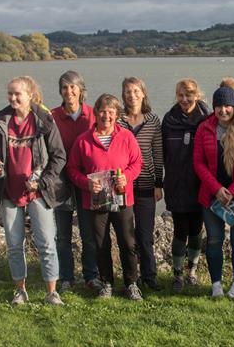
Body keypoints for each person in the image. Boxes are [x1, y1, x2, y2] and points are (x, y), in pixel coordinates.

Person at [0, 76, 68, 306]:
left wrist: (43, 183)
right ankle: (20, 291)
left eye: (17, 94)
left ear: (30, 95)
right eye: (10, 93)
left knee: (46, 243)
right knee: (14, 244)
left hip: (39, 192)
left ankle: (52, 292)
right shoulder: (0, 122)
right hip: (9, 192)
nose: (13, 98)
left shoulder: (44, 121)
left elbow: (59, 156)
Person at [66, 94, 144, 301]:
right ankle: (107, 283)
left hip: (122, 199)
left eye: (111, 112)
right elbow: (72, 169)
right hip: (96, 202)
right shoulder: (83, 140)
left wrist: (126, 178)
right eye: (102, 111)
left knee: (127, 242)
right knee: (100, 244)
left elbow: (137, 163)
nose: (106, 116)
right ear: (95, 113)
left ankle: (131, 283)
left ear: (117, 115)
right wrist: (86, 183)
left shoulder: (127, 137)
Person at [193, 86, 234, 299]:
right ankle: (216, 285)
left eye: (227, 105)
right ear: (214, 107)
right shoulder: (204, 129)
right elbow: (198, 163)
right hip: (211, 197)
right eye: (219, 105)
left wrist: (232, 191)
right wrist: (217, 189)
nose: (223, 110)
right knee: (214, 240)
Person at [50, 70, 102, 293]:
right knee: (62, 235)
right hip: (60, 183)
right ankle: (66, 277)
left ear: (81, 90)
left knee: (88, 232)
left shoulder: (93, 116)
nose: (69, 92)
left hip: (86, 182)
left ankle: (91, 275)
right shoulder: (51, 116)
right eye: (64, 87)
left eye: (73, 87)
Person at [162, 78, 211, 293]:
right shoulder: (169, 119)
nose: (184, 99)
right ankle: (178, 273)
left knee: (197, 230)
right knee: (180, 230)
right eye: (180, 95)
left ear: (197, 95)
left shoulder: (207, 120)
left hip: (201, 184)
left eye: (188, 95)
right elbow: (161, 152)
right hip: (176, 183)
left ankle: (193, 270)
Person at [118, 77, 164, 291]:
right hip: (122, 187)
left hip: (146, 185)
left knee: (145, 236)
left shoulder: (153, 121)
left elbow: (158, 154)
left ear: (143, 94)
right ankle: (131, 277)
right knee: (127, 237)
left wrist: (158, 184)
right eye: (128, 91)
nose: (132, 95)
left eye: (136, 91)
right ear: (123, 95)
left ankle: (149, 276)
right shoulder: (116, 120)